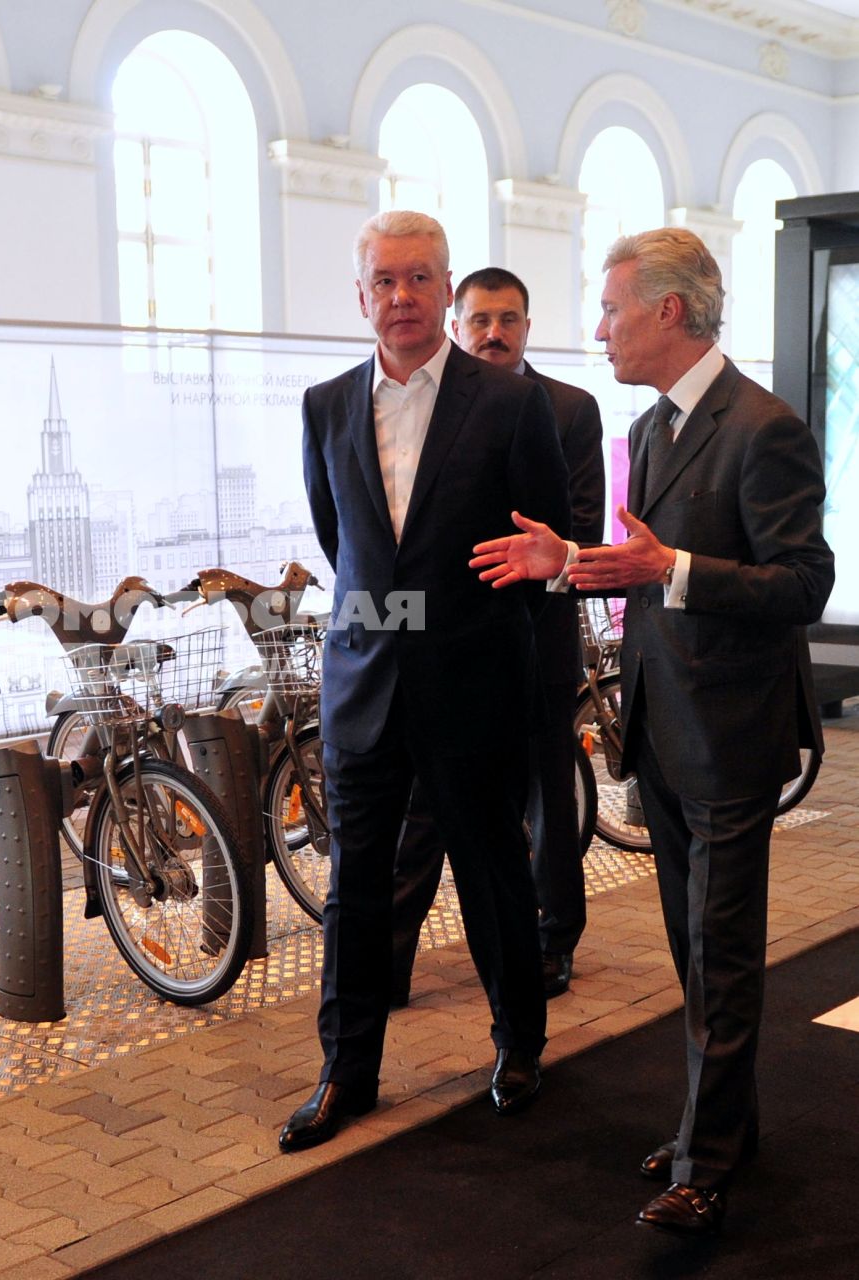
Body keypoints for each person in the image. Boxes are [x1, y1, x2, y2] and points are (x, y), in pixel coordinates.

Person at [470, 227, 835, 1235]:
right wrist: (566, 558)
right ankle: (717, 1124)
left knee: (720, 950)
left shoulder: (761, 427)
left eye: (611, 307)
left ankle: (706, 1161)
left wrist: (667, 569)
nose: (598, 329)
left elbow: (803, 582)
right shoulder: (658, 428)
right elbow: (645, 557)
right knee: (692, 945)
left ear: (667, 312)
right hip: (666, 725)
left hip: (728, 732)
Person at [278, 211, 570, 1155]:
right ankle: (344, 1074)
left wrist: (478, 642)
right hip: (363, 686)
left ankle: (519, 1045)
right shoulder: (326, 404)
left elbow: (543, 551)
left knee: (492, 876)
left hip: (474, 685)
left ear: (447, 291)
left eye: (419, 280)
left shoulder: (511, 403)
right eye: (383, 281)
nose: (401, 298)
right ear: (359, 296)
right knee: (355, 890)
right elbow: (344, 545)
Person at [392, 269, 605, 1004]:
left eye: (508, 319)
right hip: (441, 645)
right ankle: (389, 955)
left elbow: (570, 533)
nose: (493, 333)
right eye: (480, 319)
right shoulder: (425, 407)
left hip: (534, 638)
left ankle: (552, 942)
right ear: (456, 325)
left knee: (546, 794)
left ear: (526, 326)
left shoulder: (571, 409)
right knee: (425, 803)